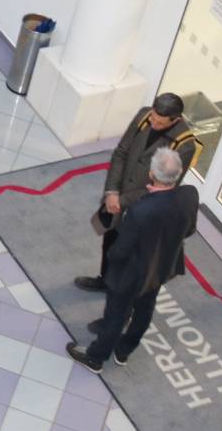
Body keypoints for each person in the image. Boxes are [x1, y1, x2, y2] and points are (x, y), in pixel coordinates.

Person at [66, 147, 199, 373]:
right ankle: (124, 350)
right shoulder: (190, 194)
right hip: (161, 269)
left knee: (116, 315)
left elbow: (121, 249)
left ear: (151, 174)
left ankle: (96, 358)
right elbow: (189, 230)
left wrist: (111, 257)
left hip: (131, 273)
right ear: (177, 174)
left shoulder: (141, 210)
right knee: (145, 310)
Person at [75, 94, 201, 293]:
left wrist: (121, 200)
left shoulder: (184, 146)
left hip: (142, 206)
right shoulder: (144, 116)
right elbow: (121, 153)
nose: (153, 123)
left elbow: (164, 186)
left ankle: (121, 291)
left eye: (160, 122)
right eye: (153, 117)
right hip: (117, 195)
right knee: (110, 239)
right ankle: (106, 279)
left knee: (132, 252)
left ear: (175, 120)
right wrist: (111, 191)